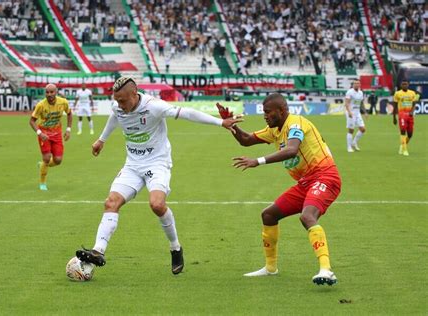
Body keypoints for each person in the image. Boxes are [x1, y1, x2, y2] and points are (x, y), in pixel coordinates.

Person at [75, 77, 241, 275]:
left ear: (134, 95)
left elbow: (187, 113)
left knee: (157, 205)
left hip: (157, 163)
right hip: (132, 165)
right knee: (111, 202)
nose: (120, 105)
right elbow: (115, 115)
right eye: (117, 101)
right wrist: (101, 140)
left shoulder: (154, 106)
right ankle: (98, 251)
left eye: (123, 101)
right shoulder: (118, 106)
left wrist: (220, 122)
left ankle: (175, 248)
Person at [223, 93, 341, 286]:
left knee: (307, 216)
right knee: (269, 215)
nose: (265, 116)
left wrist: (258, 161)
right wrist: (231, 125)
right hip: (305, 182)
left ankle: (326, 269)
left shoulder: (295, 124)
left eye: (268, 112)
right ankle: (270, 268)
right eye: (264, 112)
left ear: (282, 110)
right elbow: (246, 140)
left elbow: (291, 150)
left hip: (325, 176)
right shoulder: (275, 130)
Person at [29, 84, 73, 191]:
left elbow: (69, 114)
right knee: (47, 158)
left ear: (56, 92)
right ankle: (42, 183)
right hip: (44, 134)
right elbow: (32, 121)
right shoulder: (40, 105)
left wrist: (68, 129)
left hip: (57, 133)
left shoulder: (63, 102)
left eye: (52, 92)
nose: (49, 94)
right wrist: (39, 133)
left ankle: (42, 165)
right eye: (47, 92)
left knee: (58, 160)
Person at [392, 80, 420, 156]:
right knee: (403, 130)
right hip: (402, 114)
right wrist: (394, 117)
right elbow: (394, 106)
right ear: (401, 85)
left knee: (410, 134)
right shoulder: (397, 93)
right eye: (403, 84)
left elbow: (414, 104)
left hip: (410, 115)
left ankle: (402, 145)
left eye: (406, 84)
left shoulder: (412, 93)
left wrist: (412, 111)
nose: (404, 85)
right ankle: (405, 150)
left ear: (408, 85)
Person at [344, 79, 367, 152]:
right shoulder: (349, 92)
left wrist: (365, 112)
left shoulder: (361, 93)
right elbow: (347, 103)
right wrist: (349, 112)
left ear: (360, 84)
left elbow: (361, 103)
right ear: (353, 84)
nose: (356, 84)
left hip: (357, 113)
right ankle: (349, 147)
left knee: (363, 129)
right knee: (351, 130)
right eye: (355, 83)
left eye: (358, 83)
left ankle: (354, 142)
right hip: (351, 112)